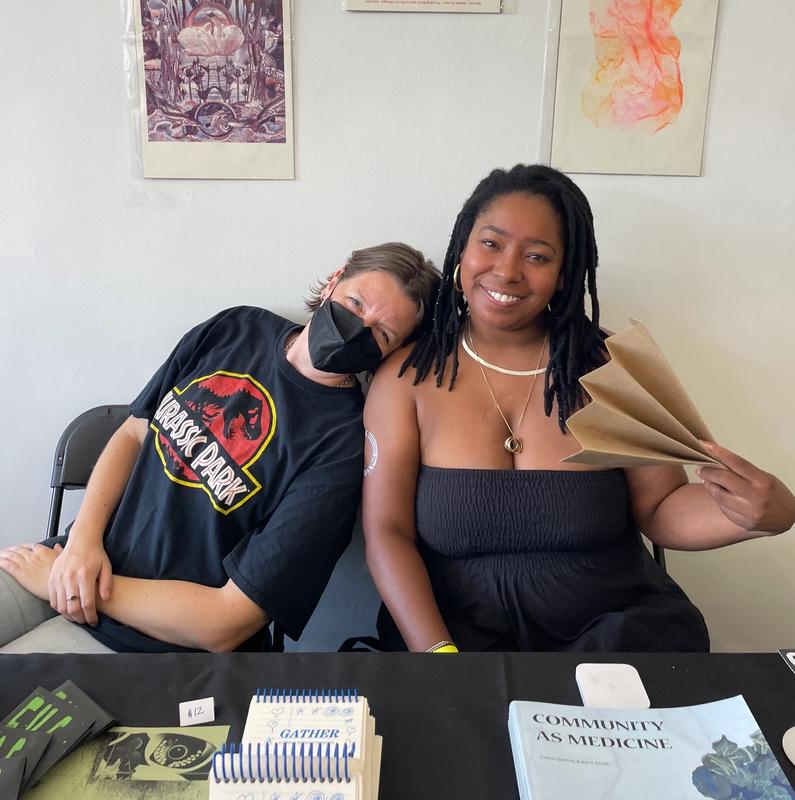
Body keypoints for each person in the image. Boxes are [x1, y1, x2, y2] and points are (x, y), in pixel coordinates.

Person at [362, 166, 795, 653]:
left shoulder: (609, 367)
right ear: (462, 247)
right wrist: (438, 655)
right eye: (490, 244)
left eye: (537, 256)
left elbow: (659, 509)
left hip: (613, 633)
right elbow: (387, 531)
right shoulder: (407, 380)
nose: (507, 270)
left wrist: (761, 515)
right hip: (455, 635)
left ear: (566, 273)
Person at [0, 242, 439, 654]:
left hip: (143, 640)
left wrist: (86, 585)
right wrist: (81, 544)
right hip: (74, 557)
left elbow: (227, 621)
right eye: (355, 304)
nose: (355, 330)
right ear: (334, 281)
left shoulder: (342, 447)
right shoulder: (236, 327)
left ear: (390, 356)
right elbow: (136, 432)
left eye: (381, 334)